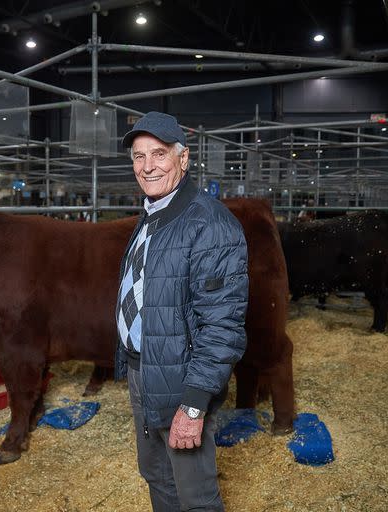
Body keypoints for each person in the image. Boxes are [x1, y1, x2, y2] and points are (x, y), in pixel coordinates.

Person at [115, 111, 249, 511]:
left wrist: (193, 405)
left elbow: (223, 326)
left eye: (159, 154)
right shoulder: (152, 216)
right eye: (139, 157)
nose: (148, 166)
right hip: (143, 372)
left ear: (184, 158)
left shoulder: (209, 223)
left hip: (180, 380)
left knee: (195, 496)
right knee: (157, 476)